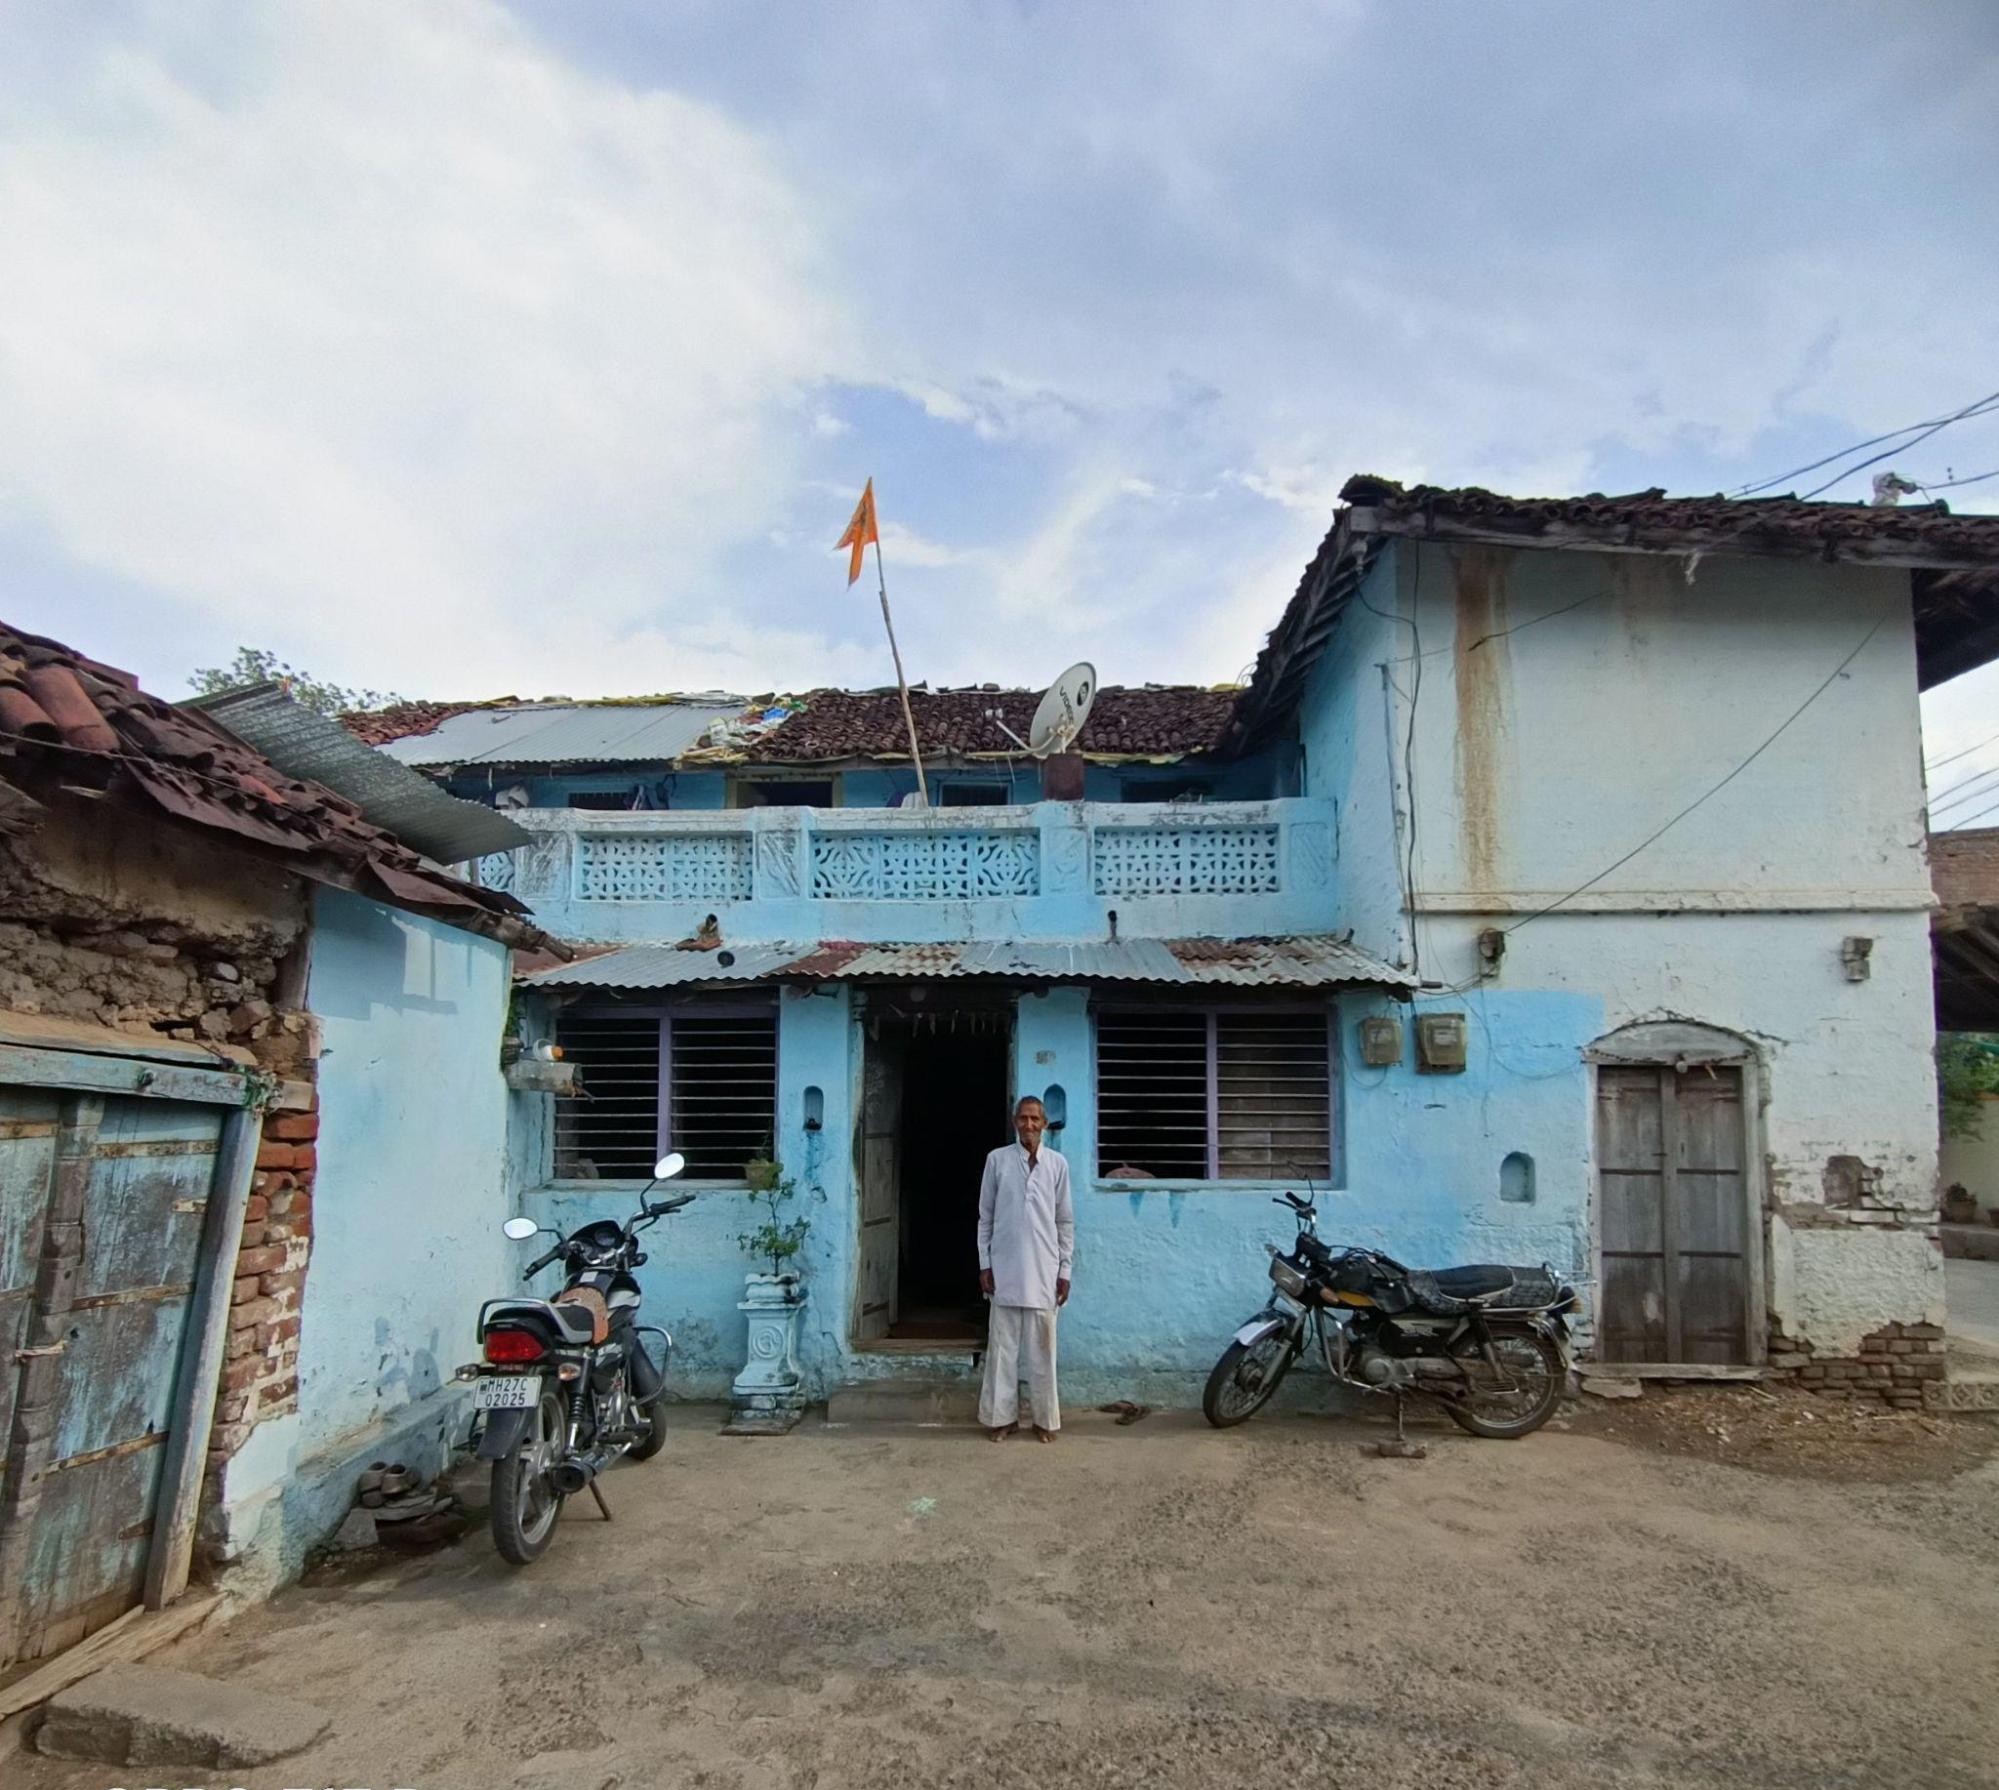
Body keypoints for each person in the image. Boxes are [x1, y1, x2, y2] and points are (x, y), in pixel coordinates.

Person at [976, 1094, 1074, 1442]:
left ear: (1044, 1124)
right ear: (1015, 1122)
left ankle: (1044, 1422)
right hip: (1004, 1270)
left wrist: (1065, 1271)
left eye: (1035, 1119)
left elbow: (1064, 1221)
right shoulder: (997, 1161)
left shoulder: (1057, 1164)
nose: (1029, 1125)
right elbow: (985, 1217)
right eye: (1023, 1118)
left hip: (1045, 1273)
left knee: (1042, 1352)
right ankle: (1001, 1420)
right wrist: (985, 1264)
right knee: (1002, 1352)